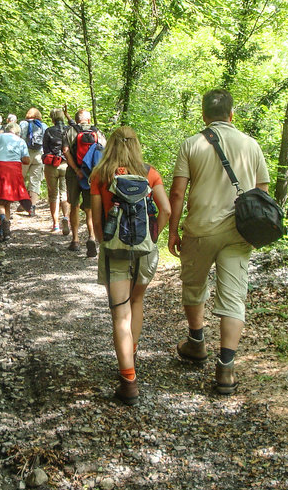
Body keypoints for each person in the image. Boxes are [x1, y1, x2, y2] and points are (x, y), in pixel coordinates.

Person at [168, 90, 270, 395]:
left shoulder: (192, 144)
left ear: (203, 115)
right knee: (234, 297)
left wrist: (172, 231)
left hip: (200, 229)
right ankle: (226, 368)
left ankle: (197, 343)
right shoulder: (251, 145)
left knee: (194, 285)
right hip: (239, 232)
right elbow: (262, 192)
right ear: (231, 114)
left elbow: (177, 193)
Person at [90, 126, 171, 406]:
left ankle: (129, 381)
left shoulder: (100, 175)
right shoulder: (150, 172)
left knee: (119, 313)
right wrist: (154, 235)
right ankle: (131, 355)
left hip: (115, 250)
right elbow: (167, 210)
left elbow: (97, 219)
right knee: (137, 302)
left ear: (109, 145)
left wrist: (103, 242)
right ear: (136, 145)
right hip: (145, 249)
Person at [63, 109, 104, 257]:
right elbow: (103, 152)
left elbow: (66, 151)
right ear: (88, 119)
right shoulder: (97, 132)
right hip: (91, 175)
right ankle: (91, 236)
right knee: (90, 208)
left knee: (74, 204)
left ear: (77, 119)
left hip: (74, 174)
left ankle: (75, 240)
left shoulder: (69, 131)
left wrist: (75, 169)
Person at [0, 122, 32, 241]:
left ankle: (3, 221)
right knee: (6, 200)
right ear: (18, 132)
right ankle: (4, 231)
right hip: (14, 169)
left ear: (6, 130)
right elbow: (26, 160)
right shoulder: (21, 141)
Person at [42, 109, 71, 234]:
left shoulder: (49, 131)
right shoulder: (69, 130)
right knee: (65, 194)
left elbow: (45, 149)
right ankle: (66, 218)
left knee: (53, 195)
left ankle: (55, 224)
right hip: (66, 165)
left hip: (52, 165)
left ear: (52, 118)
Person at [19, 108, 46, 216]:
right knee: (35, 181)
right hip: (39, 155)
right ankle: (33, 206)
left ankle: (23, 201)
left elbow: (19, 139)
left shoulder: (23, 124)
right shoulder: (43, 126)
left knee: (21, 178)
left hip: (25, 155)